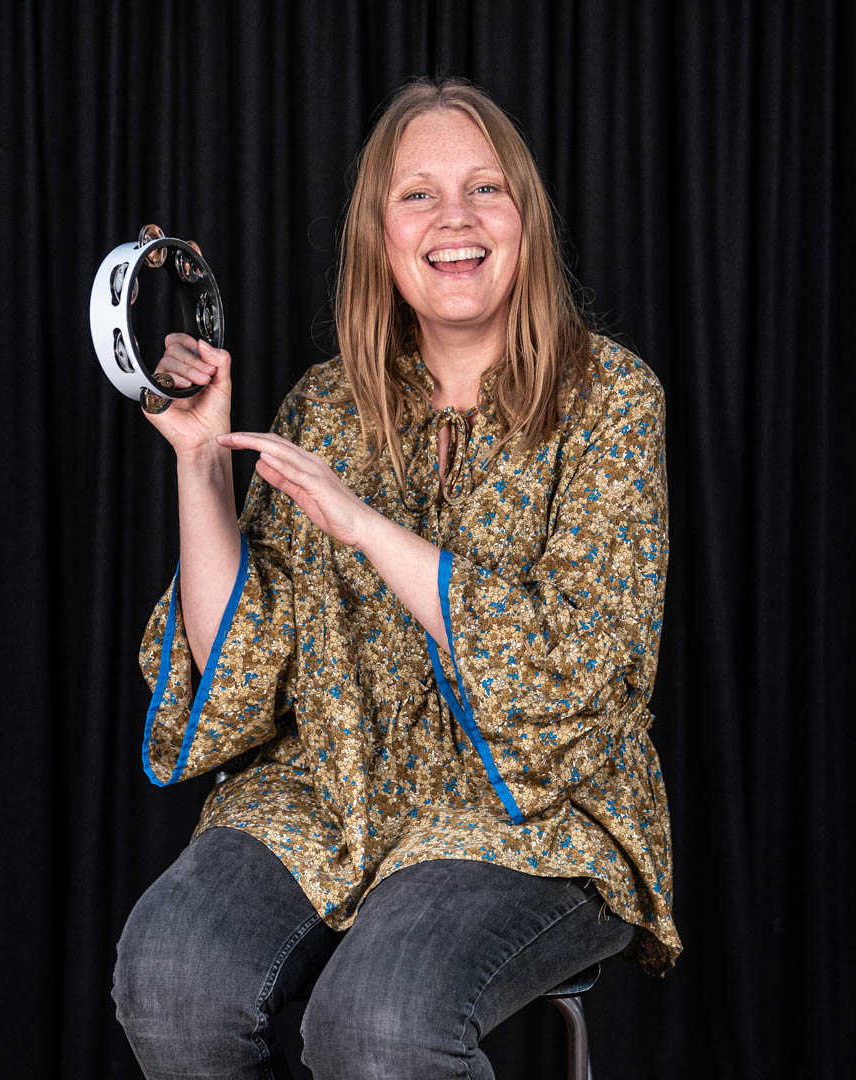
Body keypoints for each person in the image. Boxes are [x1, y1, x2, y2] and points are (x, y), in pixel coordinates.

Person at [112, 76, 680, 1079]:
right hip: (330, 788)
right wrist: (199, 463)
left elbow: (577, 675)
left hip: (535, 812)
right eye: (418, 195)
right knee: (172, 976)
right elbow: (240, 669)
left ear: (526, 220)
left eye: (484, 189)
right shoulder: (324, 405)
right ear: (381, 236)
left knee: (377, 1024)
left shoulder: (612, 400)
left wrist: (365, 526)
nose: (454, 219)